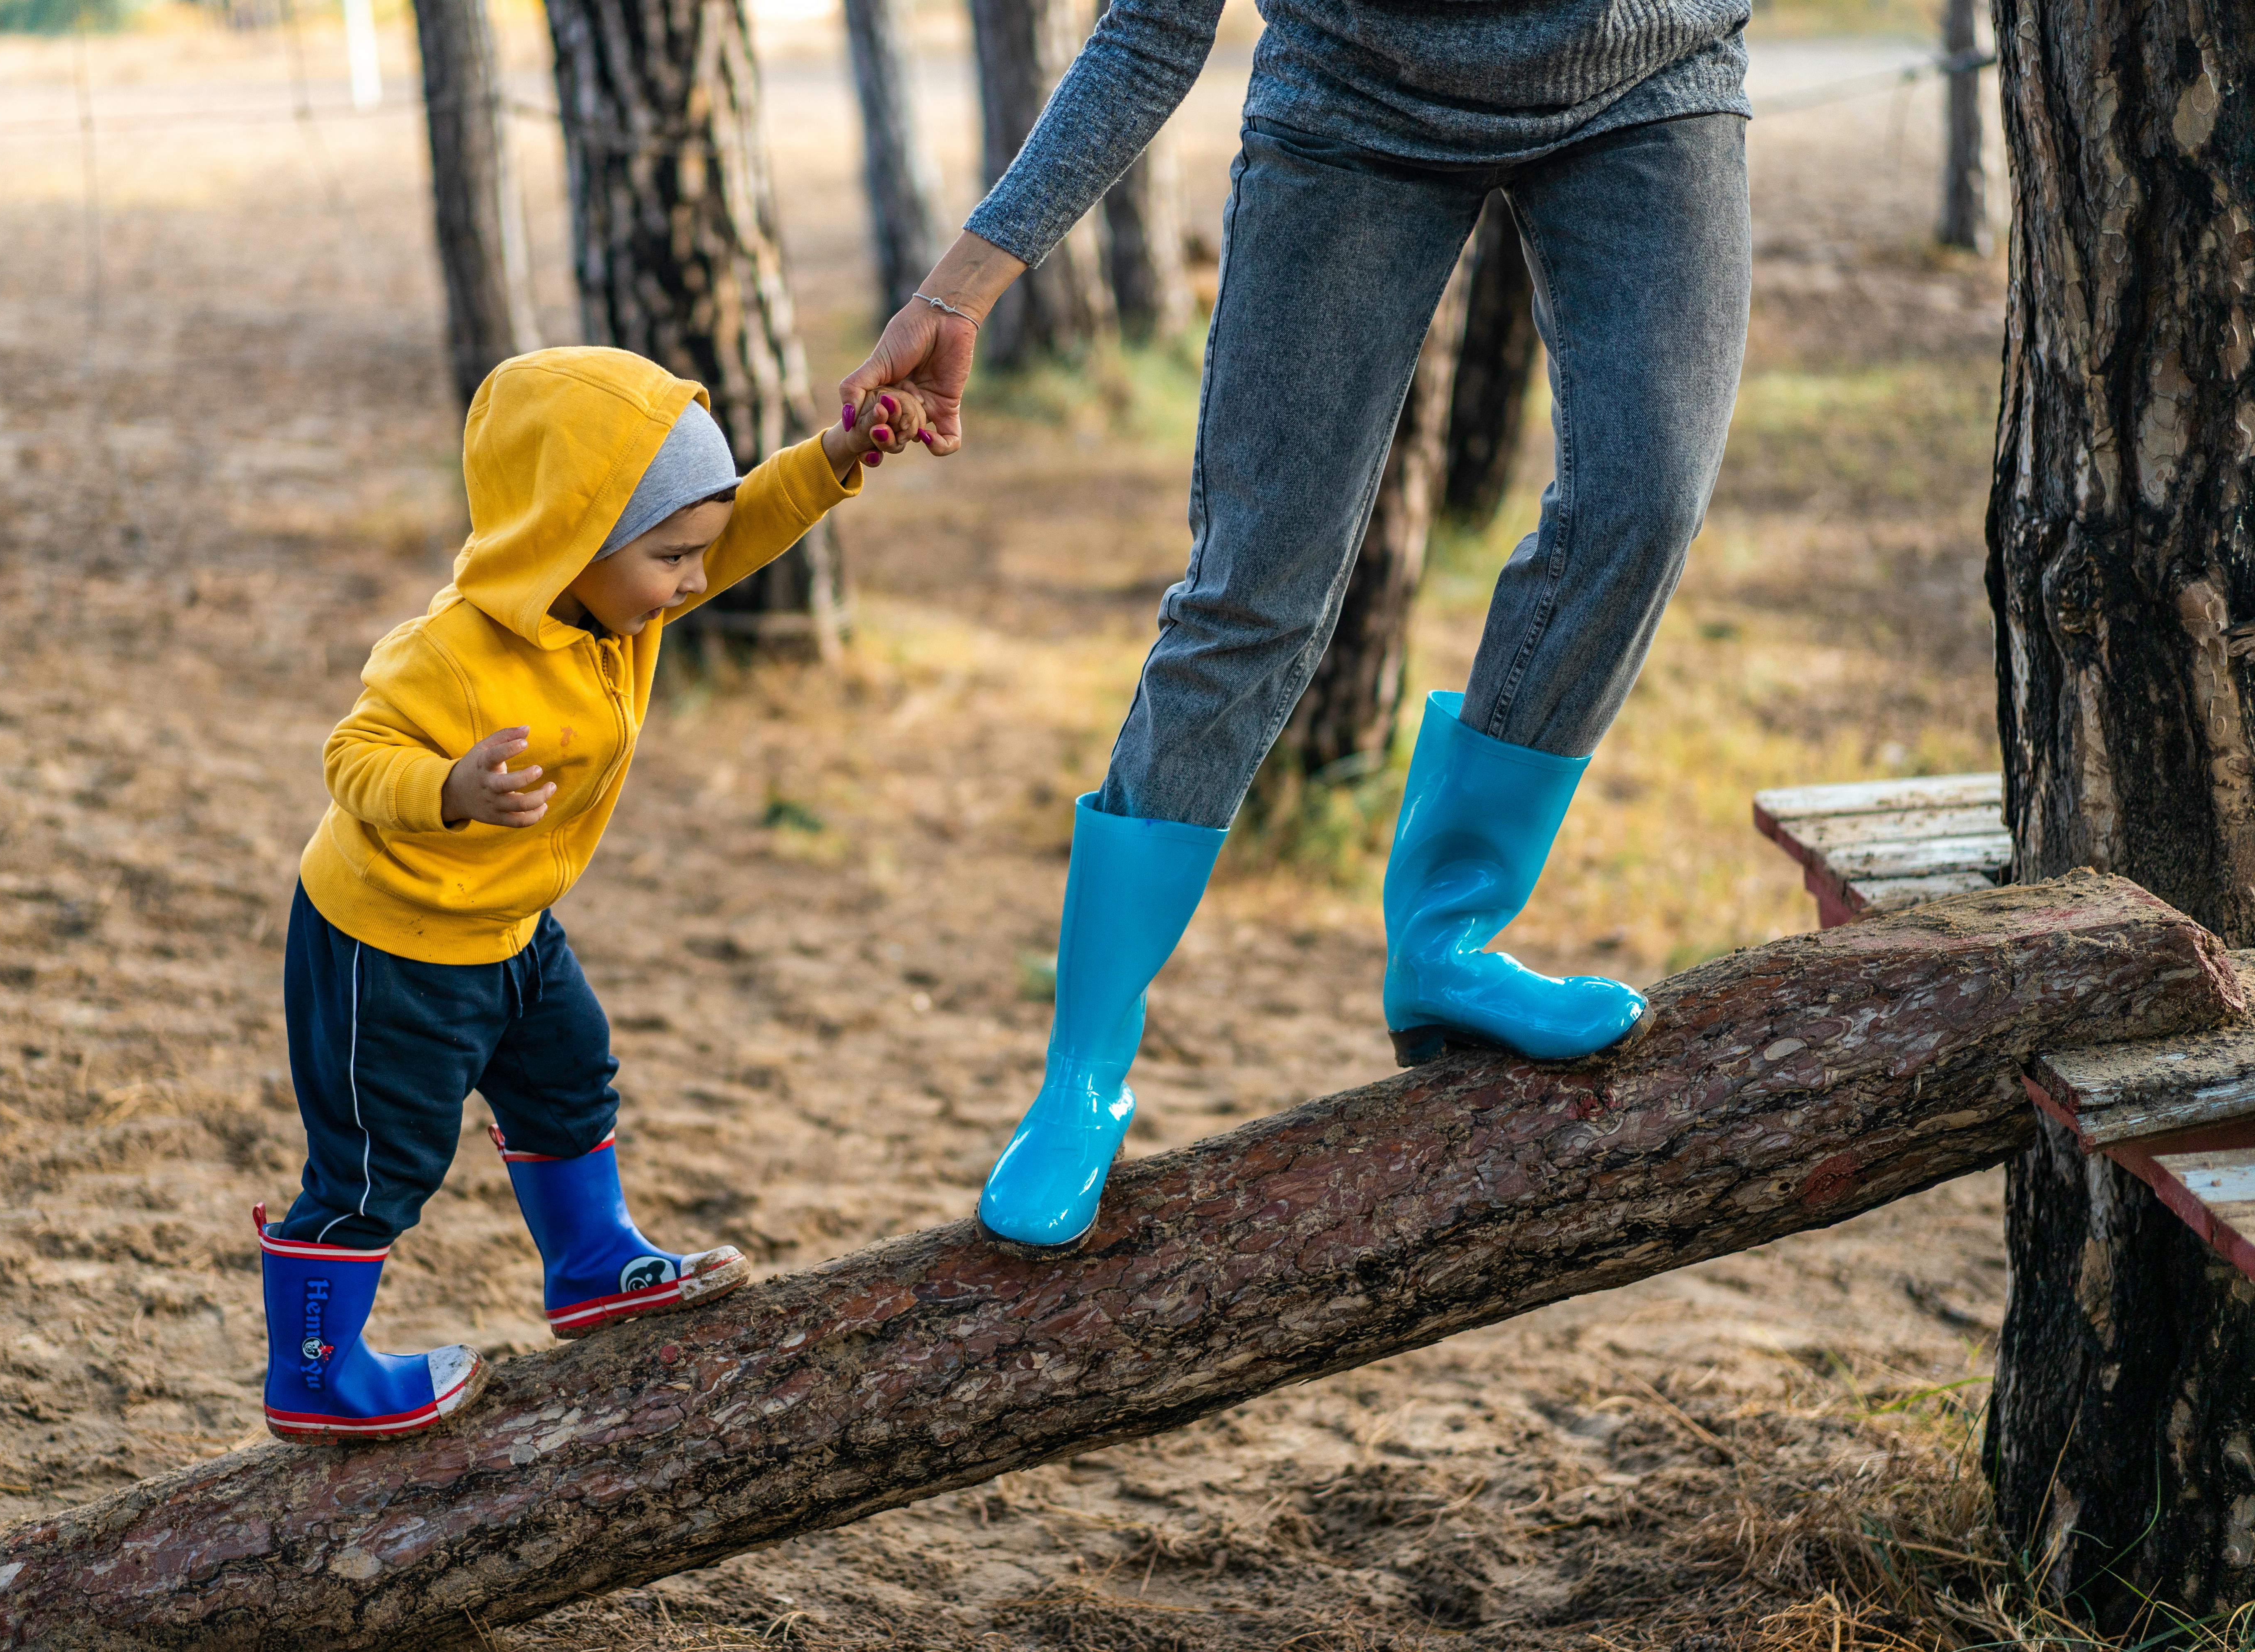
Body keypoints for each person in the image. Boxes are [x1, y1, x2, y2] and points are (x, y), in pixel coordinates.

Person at [843, 0, 1754, 1255]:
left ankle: (1448, 940)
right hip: (1356, 102)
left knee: (1643, 509)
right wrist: (967, 282)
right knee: (1253, 592)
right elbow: (1154, 26)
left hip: (1651, 78)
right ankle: (1084, 1073)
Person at [254, 347, 930, 1441]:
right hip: (395, 944)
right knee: (384, 1162)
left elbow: (740, 526)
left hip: (512, 926)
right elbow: (351, 756)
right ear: (572, 540)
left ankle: (592, 1264)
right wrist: (449, 788)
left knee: (570, 1075)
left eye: (693, 555)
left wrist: (837, 456)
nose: (695, 580)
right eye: (671, 557)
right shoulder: (454, 653)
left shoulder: (624, 602)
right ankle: (316, 1371)